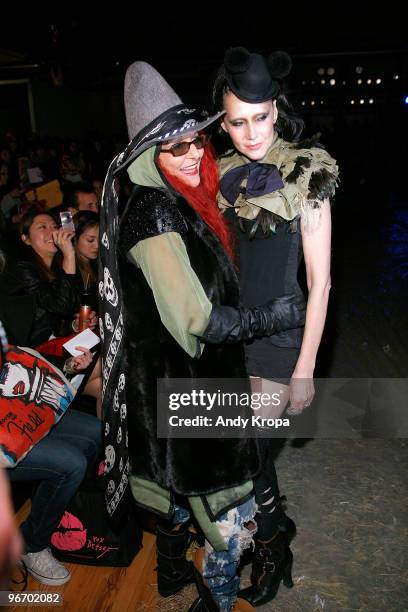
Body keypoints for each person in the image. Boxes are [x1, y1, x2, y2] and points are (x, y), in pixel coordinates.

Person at [99, 61, 305, 612]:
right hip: (188, 385)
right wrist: (274, 316)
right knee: (225, 512)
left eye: (195, 141)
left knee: (176, 497)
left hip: (171, 384)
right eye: (175, 148)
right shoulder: (155, 216)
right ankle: (216, 598)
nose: (192, 154)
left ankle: (169, 574)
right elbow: (198, 321)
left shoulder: (173, 198)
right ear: (149, 157)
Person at [212, 47, 339, 606]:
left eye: (259, 117)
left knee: (251, 453)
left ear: (276, 107)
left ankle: (273, 549)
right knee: (245, 453)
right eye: (237, 121)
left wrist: (306, 367)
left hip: (281, 341)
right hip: (235, 332)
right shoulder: (224, 172)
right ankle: (274, 531)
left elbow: (322, 281)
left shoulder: (308, 168)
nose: (250, 132)